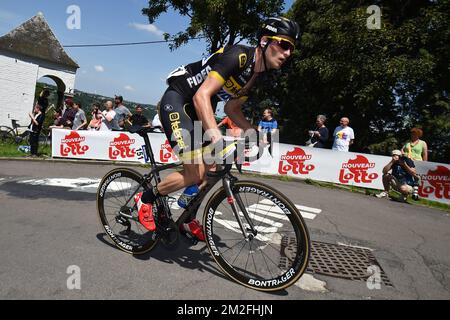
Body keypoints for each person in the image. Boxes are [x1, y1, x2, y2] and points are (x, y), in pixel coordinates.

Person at [134, 17, 300, 241]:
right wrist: (216, 138)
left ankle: (187, 216)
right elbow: (202, 95)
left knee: (214, 166)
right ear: (264, 41)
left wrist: (254, 132)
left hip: (198, 109)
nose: (288, 52)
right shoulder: (239, 56)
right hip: (178, 100)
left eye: (292, 48)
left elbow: (232, 108)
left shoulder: (257, 77)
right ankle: (145, 198)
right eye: (284, 44)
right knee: (196, 172)